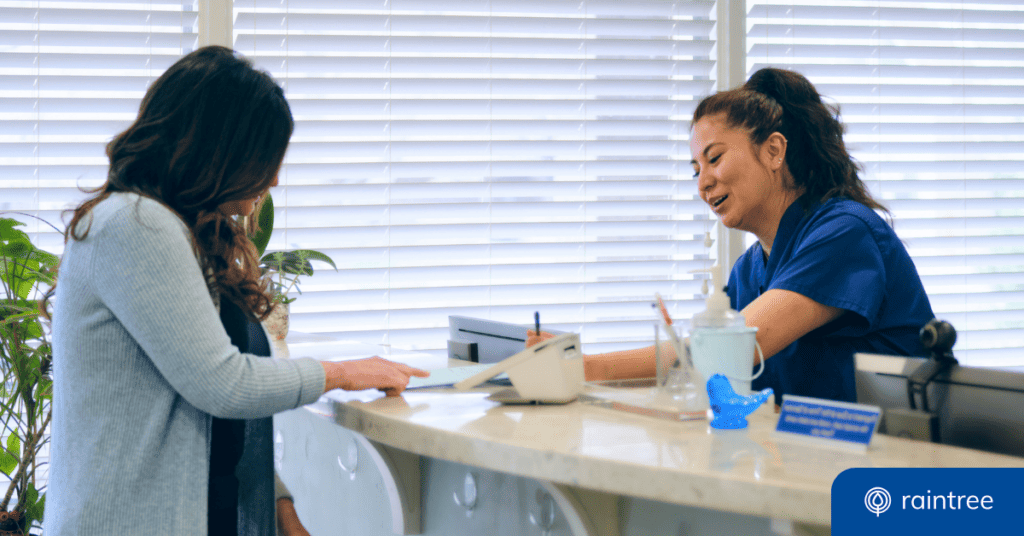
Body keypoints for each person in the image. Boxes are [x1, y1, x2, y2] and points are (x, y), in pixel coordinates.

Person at [46, 46, 429, 535]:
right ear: (215, 151)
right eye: (262, 160)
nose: (271, 179)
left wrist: (279, 504)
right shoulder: (133, 225)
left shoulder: (182, 232)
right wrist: (344, 372)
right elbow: (223, 385)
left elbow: (211, 421)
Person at [529, 67, 935, 403]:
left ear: (774, 151)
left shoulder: (845, 234)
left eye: (715, 158)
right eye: (695, 170)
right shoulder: (749, 270)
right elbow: (698, 372)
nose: (703, 184)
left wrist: (589, 367)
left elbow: (722, 352)